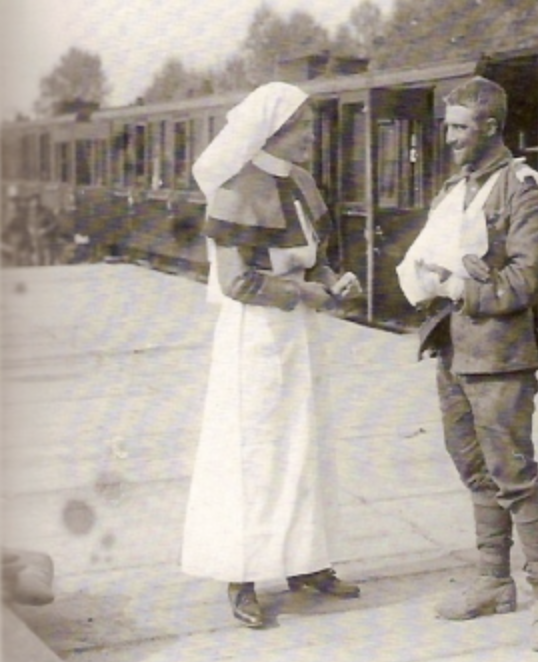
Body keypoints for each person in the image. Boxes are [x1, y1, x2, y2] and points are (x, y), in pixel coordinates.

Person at [182, 82, 363, 628]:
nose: (311, 135)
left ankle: (306, 562)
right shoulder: (238, 187)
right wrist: (303, 292)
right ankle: (240, 577)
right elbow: (237, 282)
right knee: (253, 454)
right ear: (272, 131)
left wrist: (334, 282)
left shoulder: (302, 183)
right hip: (254, 337)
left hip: (299, 335)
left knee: (305, 445)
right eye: (301, 126)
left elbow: (315, 259)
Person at [396, 76, 538, 653]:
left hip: (499, 357)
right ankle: (494, 582)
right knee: (474, 469)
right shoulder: (458, 187)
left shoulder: (521, 190)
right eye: (447, 127)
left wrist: (459, 288)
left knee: (514, 475)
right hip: (453, 349)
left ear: (491, 127)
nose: (449, 139)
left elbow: (525, 279)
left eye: (460, 128)